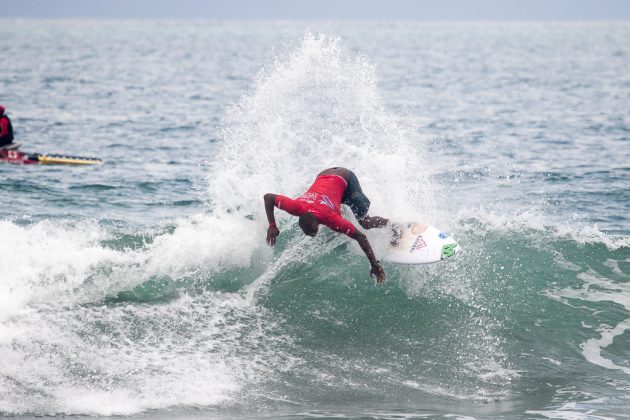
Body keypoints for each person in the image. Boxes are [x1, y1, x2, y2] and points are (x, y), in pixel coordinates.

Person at [264, 167, 391, 284]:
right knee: (337, 204)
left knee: (365, 222)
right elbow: (268, 197)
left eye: (313, 232)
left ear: (318, 223)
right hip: (324, 175)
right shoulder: (295, 206)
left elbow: (361, 237)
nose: (313, 235)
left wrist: (374, 264)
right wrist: (272, 225)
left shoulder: (331, 218)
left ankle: (392, 226)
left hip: (346, 178)